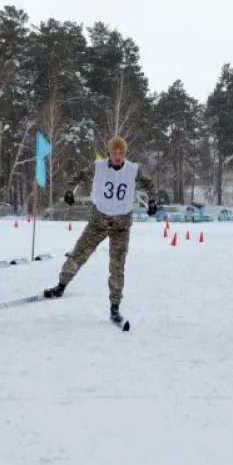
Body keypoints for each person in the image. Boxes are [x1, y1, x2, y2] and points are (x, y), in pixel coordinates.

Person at [42, 136, 156, 325]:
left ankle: (115, 307)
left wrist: (152, 200)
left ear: (125, 154)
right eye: (114, 152)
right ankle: (61, 285)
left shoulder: (133, 170)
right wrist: (69, 191)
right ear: (109, 153)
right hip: (98, 221)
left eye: (121, 153)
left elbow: (150, 185)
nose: (118, 156)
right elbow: (76, 178)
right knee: (79, 254)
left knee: (117, 267)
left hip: (121, 225)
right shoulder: (97, 166)